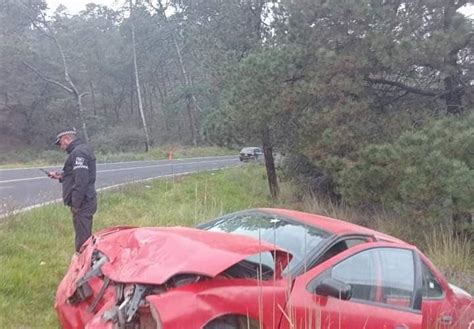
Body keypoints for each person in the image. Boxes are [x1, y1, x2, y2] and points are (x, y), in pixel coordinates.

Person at [48, 129, 97, 253]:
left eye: (60, 143)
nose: (61, 147)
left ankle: (86, 266)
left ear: (66, 139)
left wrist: (76, 204)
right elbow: (76, 175)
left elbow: (81, 181)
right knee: (84, 234)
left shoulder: (78, 153)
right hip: (87, 200)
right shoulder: (82, 150)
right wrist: (61, 176)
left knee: (83, 240)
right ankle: (89, 261)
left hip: (83, 202)